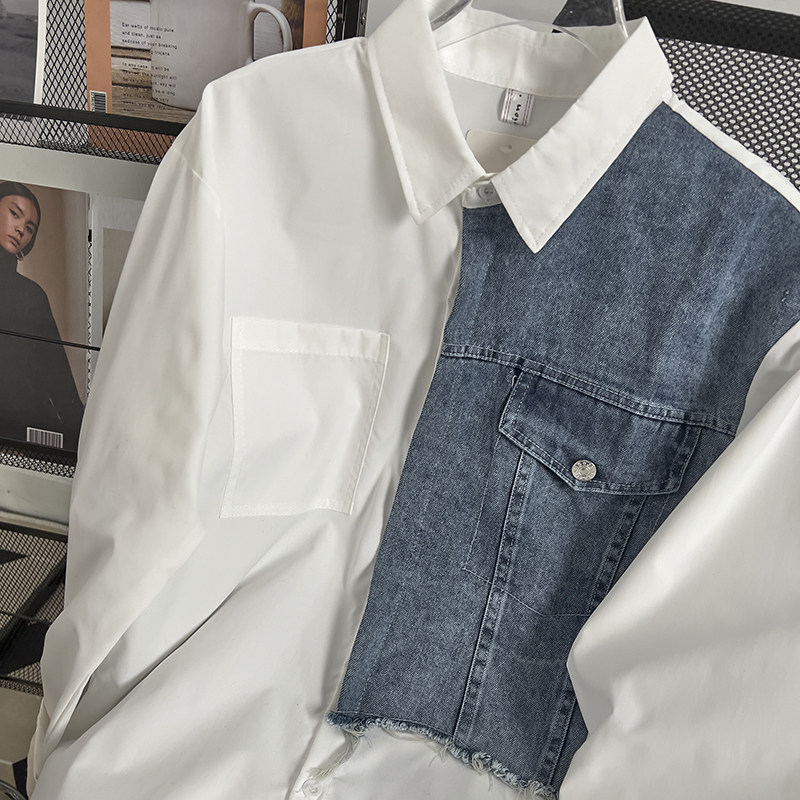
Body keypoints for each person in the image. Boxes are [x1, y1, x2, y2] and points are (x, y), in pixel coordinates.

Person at [0, 181, 84, 451]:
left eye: (29, 228)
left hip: (22, 434)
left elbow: (59, 380)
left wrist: (83, 445)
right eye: (15, 213)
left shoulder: (31, 296)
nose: (20, 229)